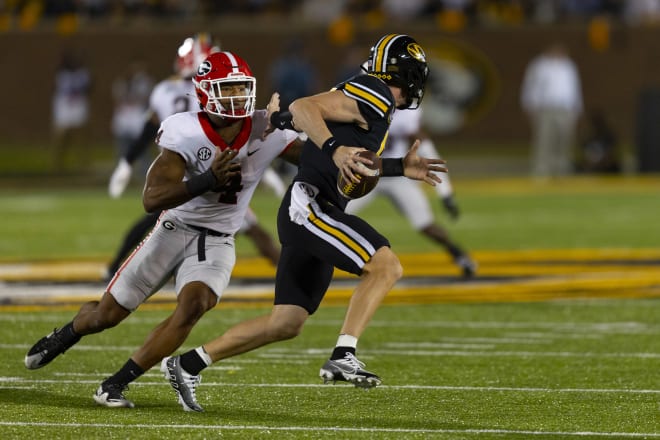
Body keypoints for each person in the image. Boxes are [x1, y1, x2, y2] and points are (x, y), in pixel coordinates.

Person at [162, 33, 444, 412]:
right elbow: (306, 107)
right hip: (311, 207)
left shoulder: (373, 102)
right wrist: (333, 147)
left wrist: (398, 167)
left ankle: (187, 364)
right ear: (407, 74)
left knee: (286, 322)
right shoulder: (373, 91)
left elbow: (308, 124)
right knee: (385, 265)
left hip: (313, 208)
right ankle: (344, 354)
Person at [24, 50, 303, 409]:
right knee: (106, 316)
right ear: (204, 94)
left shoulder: (267, 128)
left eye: (239, 88)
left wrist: (356, 155)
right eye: (226, 89)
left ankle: (115, 384)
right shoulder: (184, 129)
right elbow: (152, 198)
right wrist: (207, 180)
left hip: (218, 238)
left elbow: (321, 156)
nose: (235, 98)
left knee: (194, 306)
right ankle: (68, 333)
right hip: (175, 226)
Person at [104, 33, 284, 278]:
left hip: (188, 168)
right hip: (209, 168)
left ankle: (119, 269)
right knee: (245, 228)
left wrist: (126, 163)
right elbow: (237, 136)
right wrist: (267, 172)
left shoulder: (165, 90)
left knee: (158, 222)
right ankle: (290, 276)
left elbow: (150, 128)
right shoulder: (214, 93)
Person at [345, 108, 476, 278]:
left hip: (398, 176)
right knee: (333, 215)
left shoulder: (403, 115)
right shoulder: (363, 107)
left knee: (425, 224)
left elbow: (426, 148)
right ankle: (319, 260)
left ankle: (459, 254)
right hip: (366, 175)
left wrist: (446, 193)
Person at [520, 42, 583, 178]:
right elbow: (530, 87)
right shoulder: (539, 66)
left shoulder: (569, 66)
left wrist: (577, 108)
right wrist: (529, 106)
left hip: (565, 109)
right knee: (544, 140)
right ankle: (541, 170)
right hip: (546, 108)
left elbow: (574, 88)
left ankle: (562, 170)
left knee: (564, 140)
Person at [110, 58, 154, 173]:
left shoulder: (144, 83)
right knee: (122, 149)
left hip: (137, 118)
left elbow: (145, 99)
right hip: (123, 119)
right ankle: (121, 175)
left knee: (142, 149)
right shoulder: (121, 83)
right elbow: (117, 102)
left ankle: (145, 175)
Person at [51, 49, 92, 170]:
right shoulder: (61, 74)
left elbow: (89, 88)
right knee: (60, 136)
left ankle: (82, 163)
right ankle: (57, 164)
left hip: (78, 105)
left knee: (81, 136)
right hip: (64, 106)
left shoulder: (83, 74)